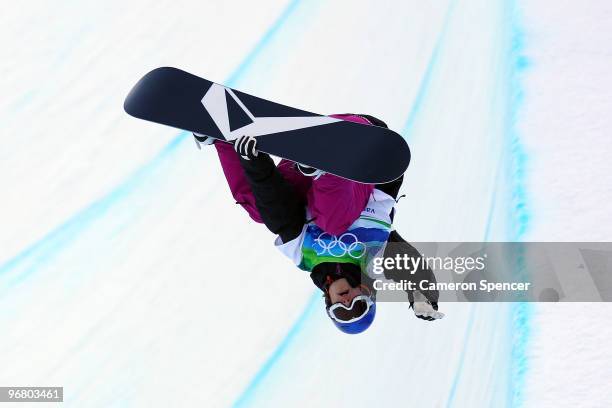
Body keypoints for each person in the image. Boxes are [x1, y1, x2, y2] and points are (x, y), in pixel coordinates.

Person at [195, 114, 444, 334]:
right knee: (332, 223)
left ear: (328, 303)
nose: (346, 304)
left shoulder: (304, 255)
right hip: (365, 144)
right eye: (357, 307)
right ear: (368, 295)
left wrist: (253, 161)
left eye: (341, 312)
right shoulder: (373, 259)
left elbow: (276, 203)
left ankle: (226, 140)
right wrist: (423, 296)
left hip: (303, 162)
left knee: (262, 213)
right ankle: (326, 164)